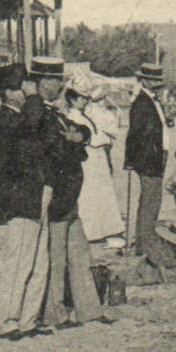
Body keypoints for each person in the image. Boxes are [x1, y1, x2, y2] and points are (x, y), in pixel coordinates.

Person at [37, 62, 108, 329]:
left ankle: (89, 309)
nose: (62, 88)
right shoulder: (42, 115)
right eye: (58, 82)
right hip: (58, 196)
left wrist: (77, 138)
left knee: (80, 254)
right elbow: (59, 150)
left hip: (69, 196)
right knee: (57, 257)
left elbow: (85, 134)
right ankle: (55, 313)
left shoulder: (55, 114)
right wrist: (74, 142)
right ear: (45, 82)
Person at [0, 63, 51, 341]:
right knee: (19, 262)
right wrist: (35, 97)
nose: (26, 91)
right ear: (10, 92)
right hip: (20, 198)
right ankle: (6, 320)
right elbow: (31, 127)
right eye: (22, 86)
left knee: (37, 260)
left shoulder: (17, 118)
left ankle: (27, 318)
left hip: (32, 195)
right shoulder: (7, 119)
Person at [124, 62, 176, 269]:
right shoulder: (141, 103)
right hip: (148, 157)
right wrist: (130, 160)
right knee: (150, 201)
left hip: (156, 155)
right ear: (145, 81)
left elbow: (158, 126)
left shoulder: (153, 102)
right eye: (154, 81)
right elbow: (134, 134)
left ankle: (143, 242)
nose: (157, 84)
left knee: (150, 200)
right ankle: (146, 243)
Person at [67, 85, 127, 245]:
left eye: (85, 98)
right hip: (89, 159)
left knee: (101, 194)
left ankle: (103, 229)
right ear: (72, 100)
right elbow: (91, 138)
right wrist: (106, 139)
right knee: (90, 196)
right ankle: (90, 231)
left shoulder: (83, 115)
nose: (84, 101)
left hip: (96, 159)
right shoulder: (73, 117)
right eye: (81, 98)